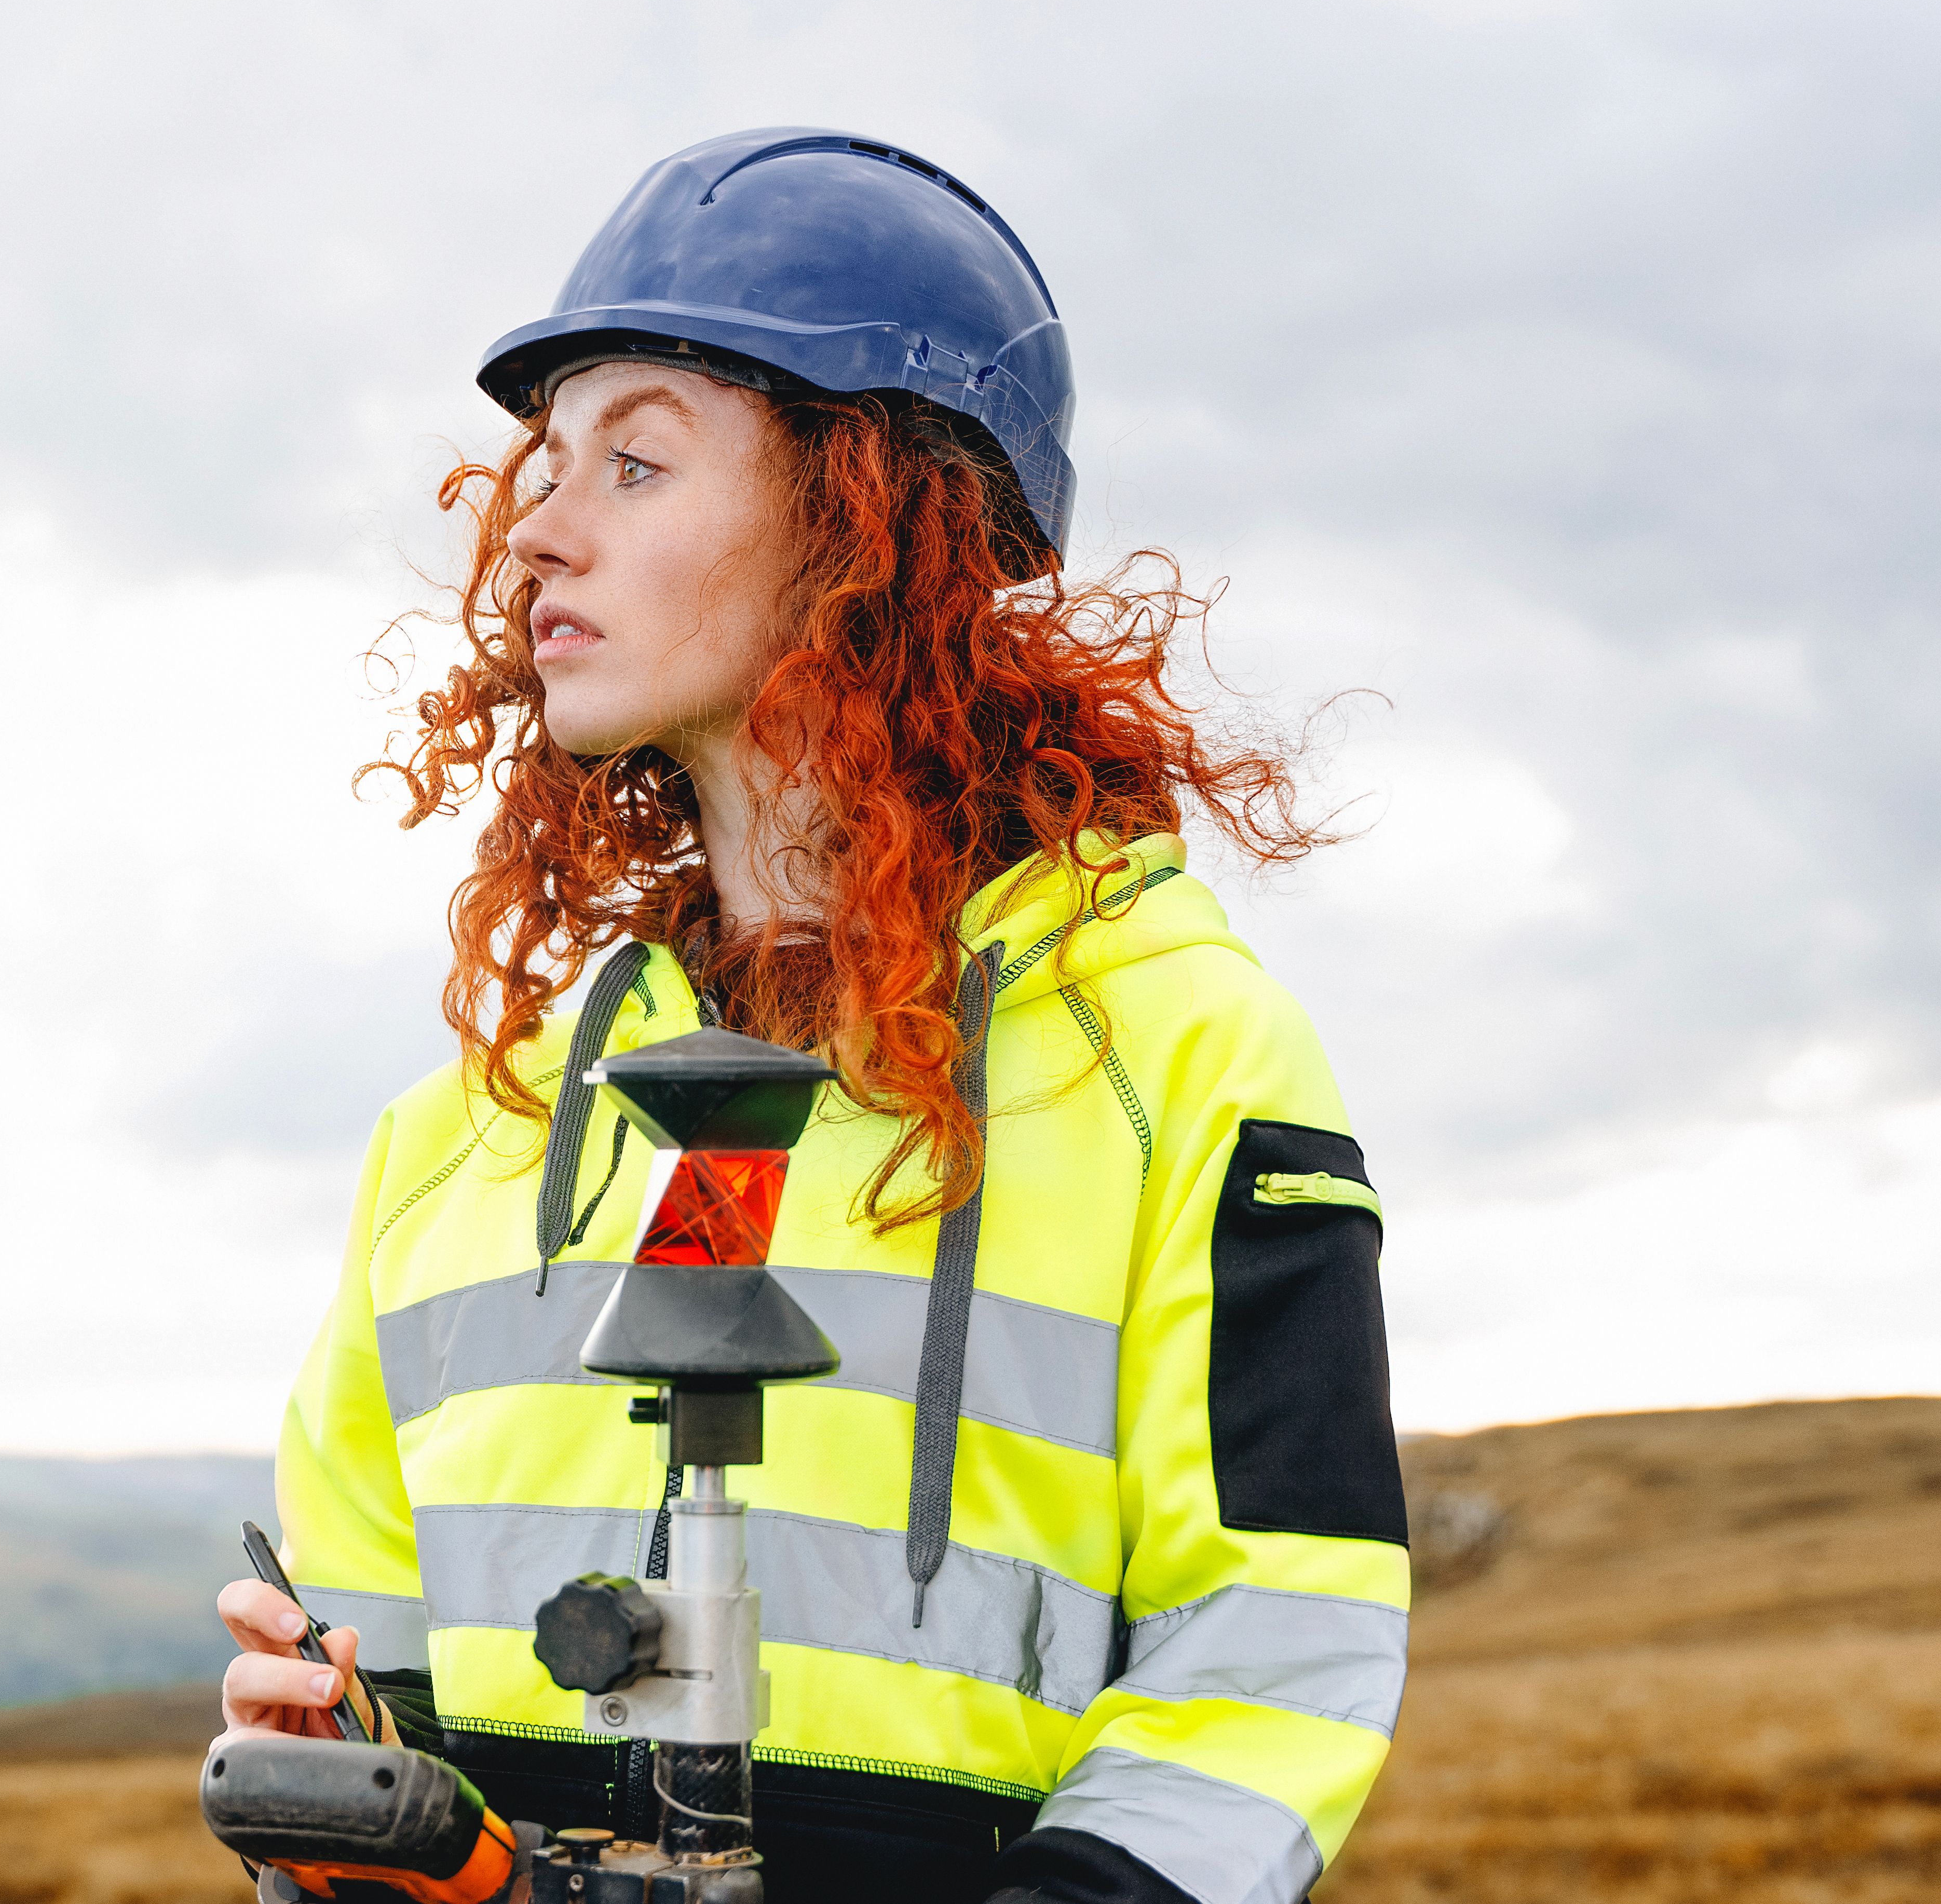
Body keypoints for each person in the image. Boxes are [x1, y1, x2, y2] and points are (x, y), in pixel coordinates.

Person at [213, 130, 1407, 1904]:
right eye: (544, 466)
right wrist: (339, 1786)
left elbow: (1274, 1667)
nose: (535, 526)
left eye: (632, 460)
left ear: (872, 521)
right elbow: (377, 1680)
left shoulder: (1184, 1056)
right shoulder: (467, 1127)